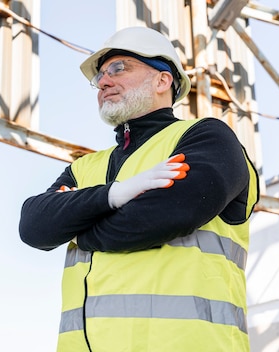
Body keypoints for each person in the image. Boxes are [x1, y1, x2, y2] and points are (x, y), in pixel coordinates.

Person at [19, 26, 260, 352]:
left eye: (119, 68)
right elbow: (34, 226)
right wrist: (115, 194)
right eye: (100, 76)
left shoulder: (207, 138)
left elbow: (163, 215)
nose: (103, 82)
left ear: (163, 81)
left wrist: (80, 231)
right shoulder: (85, 167)